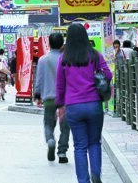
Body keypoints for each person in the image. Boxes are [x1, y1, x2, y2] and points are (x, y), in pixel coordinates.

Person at [53, 24, 113, 183]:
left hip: (73, 106)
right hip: (94, 105)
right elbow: (108, 74)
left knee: (79, 146)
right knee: (94, 142)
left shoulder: (64, 59)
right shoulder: (95, 55)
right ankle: (96, 174)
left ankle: (83, 180)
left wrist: (60, 105)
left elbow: (60, 85)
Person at [34, 32, 71, 163]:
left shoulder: (42, 60)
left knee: (48, 123)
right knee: (65, 126)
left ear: (49, 44)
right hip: (65, 98)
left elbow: (38, 80)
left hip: (48, 97)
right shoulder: (66, 59)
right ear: (62, 44)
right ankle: (62, 153)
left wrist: (37, 96)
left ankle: (50, 140)